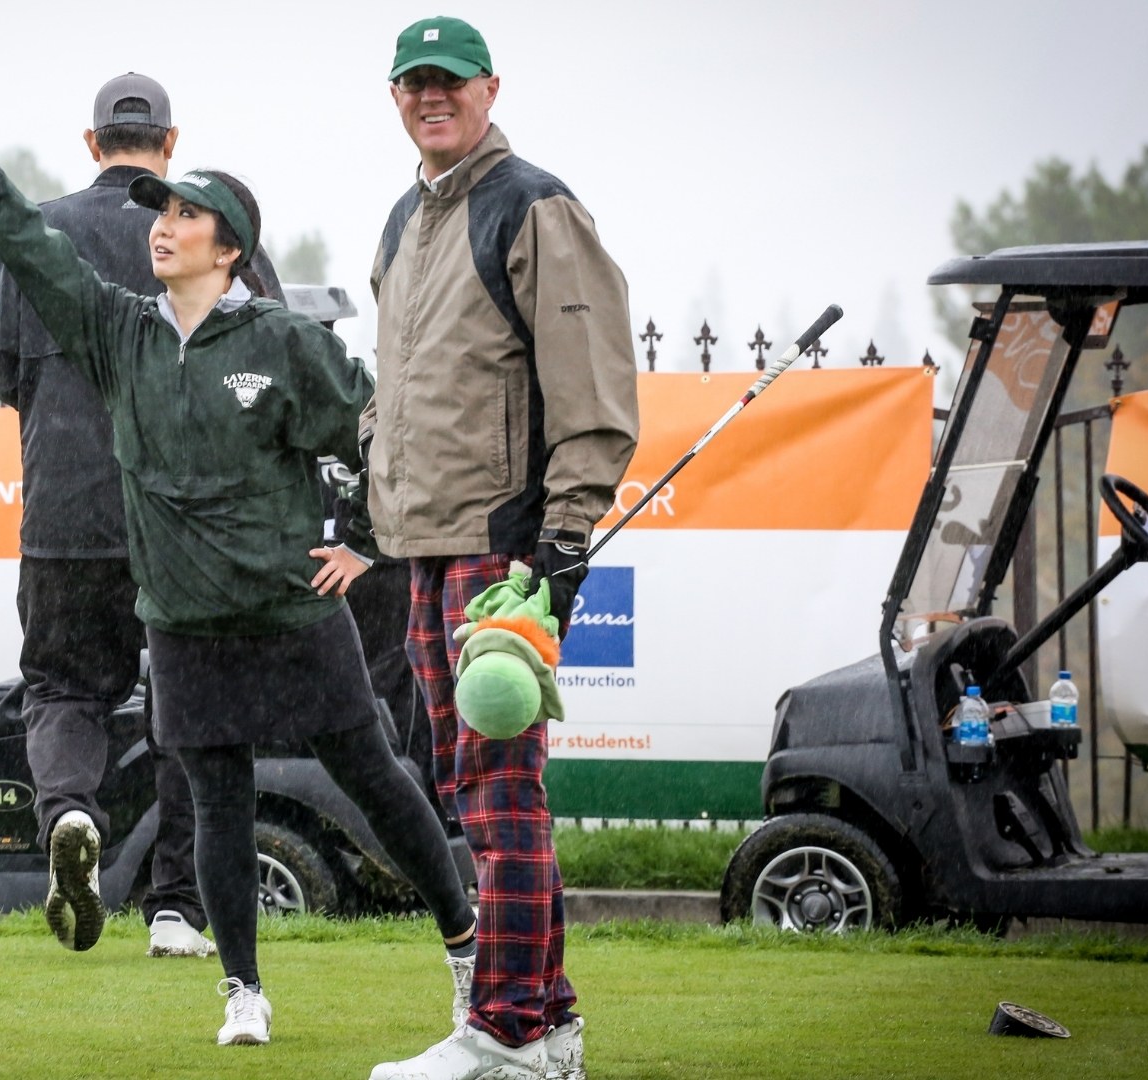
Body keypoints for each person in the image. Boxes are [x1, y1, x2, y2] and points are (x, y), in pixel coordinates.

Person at [0, 71, 477, 1052]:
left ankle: (468, 949)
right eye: (158, 211)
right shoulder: (119, 334)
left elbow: (386, 441)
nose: (161, 225)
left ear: (230, 250)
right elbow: (31, 247)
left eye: (183, 214)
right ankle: (243, 991)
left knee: (377, 778)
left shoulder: (285, 341)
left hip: (292, 614)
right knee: (216, 801)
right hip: (181, 624)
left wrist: (364, 542)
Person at [361, 16, 640, 1080]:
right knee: (476, 791)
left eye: (449, 81)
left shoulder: (534, 205)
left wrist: (566, 537)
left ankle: (510, 1030)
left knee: (499, 789)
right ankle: (547, 1025)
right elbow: (402, 388)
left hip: (506, 549)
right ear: (395, 98)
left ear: (488, 89)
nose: (432, 97)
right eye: (413, 83)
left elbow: (593, 384)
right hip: (424, 544)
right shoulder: (401, 221)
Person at [0, 73, 283, 960]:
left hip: (65, 516)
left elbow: (4, 369)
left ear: (91, 142)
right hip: (183, 522)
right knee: (188, 709)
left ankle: (71, 811)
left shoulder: (39, 234)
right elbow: (266, 360)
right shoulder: (205, 227)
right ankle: (177, 908)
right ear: (171, 143)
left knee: (65, 688)